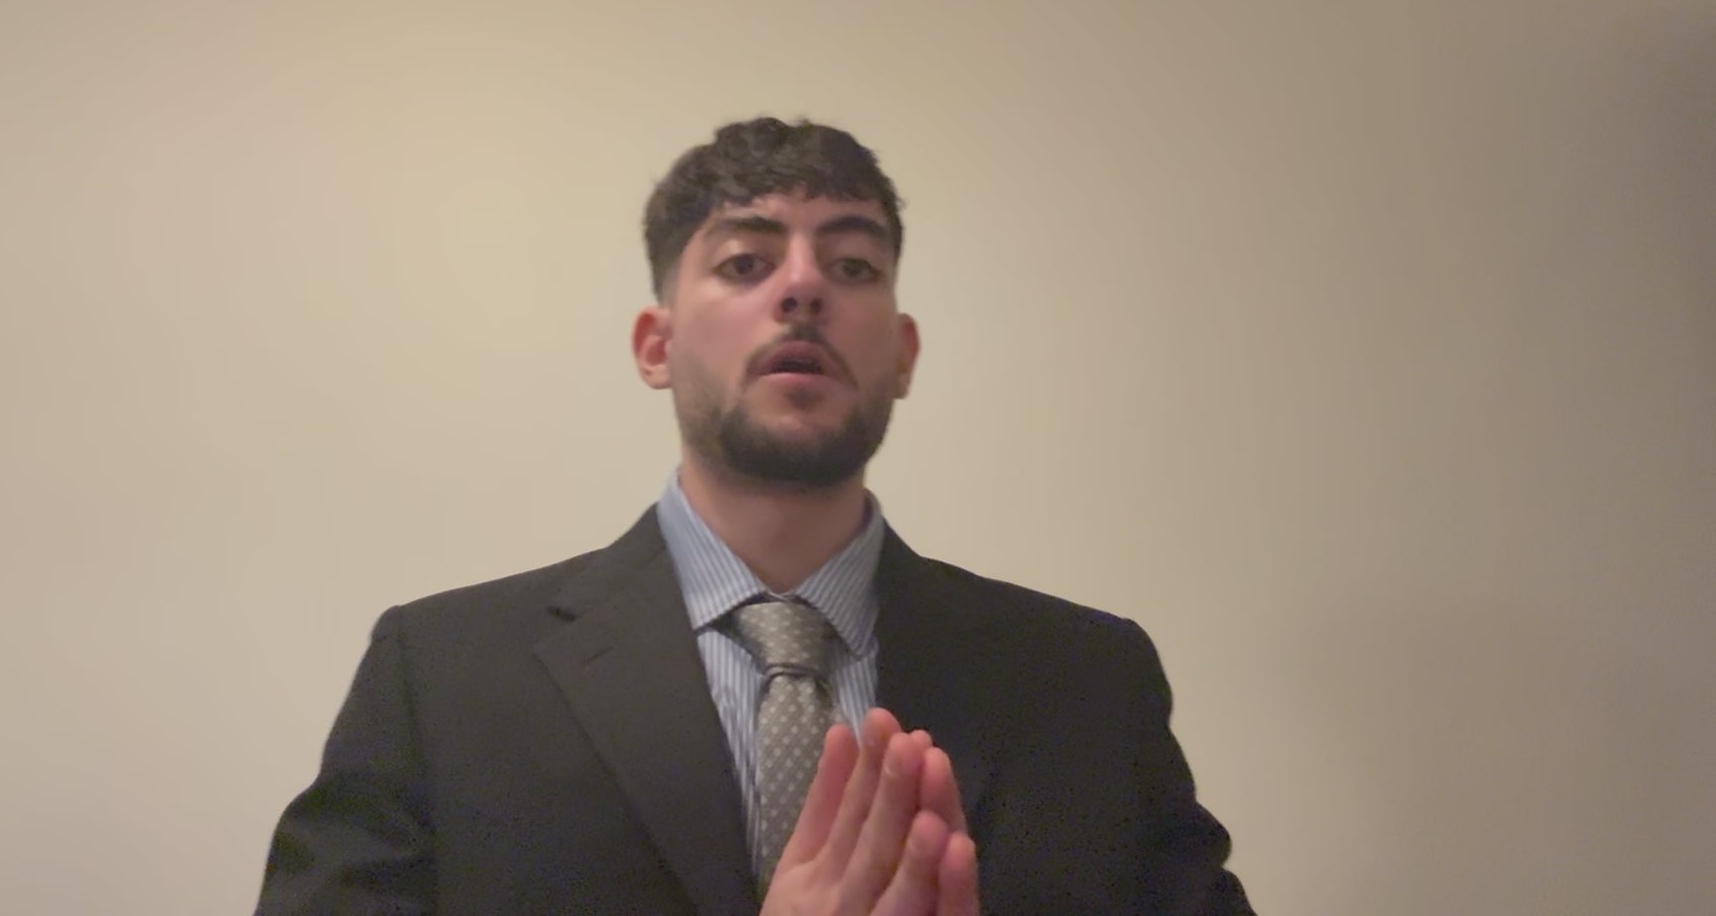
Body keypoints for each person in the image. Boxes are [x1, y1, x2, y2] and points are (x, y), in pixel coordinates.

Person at [254, 118, 1255, 915]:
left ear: (904, 355)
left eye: (853, 266)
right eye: (744, 263)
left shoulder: (1089, 683)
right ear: (656, 346)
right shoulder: (440, 678)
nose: (804, 286)